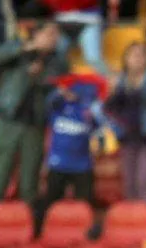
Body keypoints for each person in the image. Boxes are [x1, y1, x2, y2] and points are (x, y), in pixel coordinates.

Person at [0, 21, 66, 205]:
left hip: (36, 122)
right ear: (37, 34)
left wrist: (38, 75)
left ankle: (28, 217)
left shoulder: (58, 60)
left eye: (56, 35)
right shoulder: (18, 49)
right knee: (0, 169)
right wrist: (27, 48)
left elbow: (57, 83)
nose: (53, 39)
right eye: (49, 34)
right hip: (10, 118)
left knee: (30, 173)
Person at [104, 41, 146, 208]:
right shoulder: (120, 80)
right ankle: (132, 220)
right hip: (128, 135)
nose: (137, 59)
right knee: (129, 183)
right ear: (126, 59)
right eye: (133, 55)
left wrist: (137, 87)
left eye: (141, 55)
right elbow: (111, 108)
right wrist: (112, 93)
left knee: (143, 180)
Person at [38, 74, 107, 233]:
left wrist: (99, 145)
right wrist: (60, 91)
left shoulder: (87, 112)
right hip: (57, 164)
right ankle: (41, 232)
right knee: (50, 202)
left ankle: (87, 234)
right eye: (66, 90)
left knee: (85, 205)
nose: (69, 92)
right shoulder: (57, 107)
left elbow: (100, 133)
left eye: (72, 90)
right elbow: (48, 102)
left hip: (82, 166)